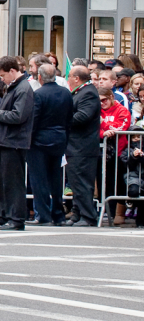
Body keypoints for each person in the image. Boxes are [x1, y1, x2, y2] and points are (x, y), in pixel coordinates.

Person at [0, 56, 34, 231]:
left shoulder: (23, 88)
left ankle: (16, 218)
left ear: (13, 71)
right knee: (3, 182)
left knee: (14, 182)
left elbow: (18, 115)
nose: (2, 79)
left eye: (3, 75)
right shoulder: (14, 87)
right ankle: (4, 216)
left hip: (14, 141)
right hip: (6, 140)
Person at [26, 64, 72, 226]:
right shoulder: (66, 93)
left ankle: (44, 215)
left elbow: (34, 119)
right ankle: (58, 215)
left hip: (39, 141)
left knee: (39, 180)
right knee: (56, 179)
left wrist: (28, 139)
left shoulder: (38, 94)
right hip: (59, 139)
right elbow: (69, 118)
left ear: (40, 77)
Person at [64, 66, 101, 227]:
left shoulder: (89, 93)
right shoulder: (81, 92)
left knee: (82, 182)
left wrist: (62, 119)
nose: (68, 80)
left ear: (77, 78)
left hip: (83, 146)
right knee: (75, 182)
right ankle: (77, 213)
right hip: (75, 146)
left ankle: (88, 216)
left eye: (70, 76)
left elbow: (83, 116)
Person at [97, 85, 130, 226]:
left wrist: (106, 126)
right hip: (102, 153)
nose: (101, 103)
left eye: (104, 100)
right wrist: (104, 131)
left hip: (119, 152)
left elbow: (123, 125)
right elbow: (94, 129)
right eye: (99, 101)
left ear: (111, 97)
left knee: (119, 183)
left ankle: (119, 213)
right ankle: (105, 211)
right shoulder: (97, 111)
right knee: (104, 183)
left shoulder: (121, 110)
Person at [120, 125, 144, 227]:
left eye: (138, 136)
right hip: (133, 177)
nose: (136, 139)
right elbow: (126, 164)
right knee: (134, 192)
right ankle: (130, 206)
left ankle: (140, 220)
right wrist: (134, 157)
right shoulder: (126, 150)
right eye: (133, 137)